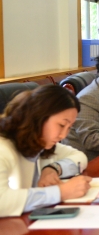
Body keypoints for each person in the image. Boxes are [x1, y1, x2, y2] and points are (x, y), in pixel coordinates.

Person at [0, 85, 92, 217]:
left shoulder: (38, 141)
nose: (63, 135)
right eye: (61, 125)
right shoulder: (3, 148)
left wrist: (53, 169)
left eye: (69, 127)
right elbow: (2, 201)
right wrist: (61, 192)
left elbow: (79, 156)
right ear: (39, 116)